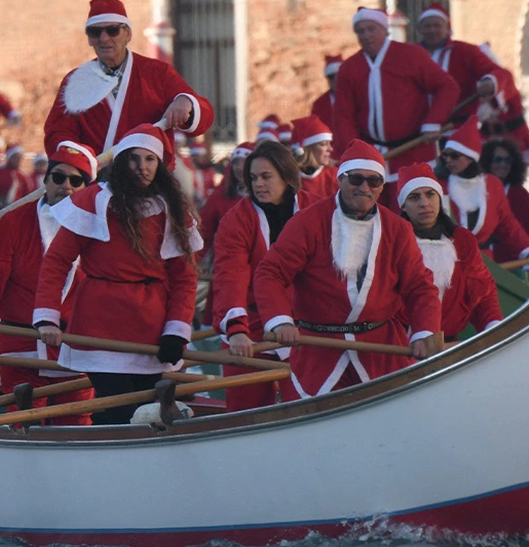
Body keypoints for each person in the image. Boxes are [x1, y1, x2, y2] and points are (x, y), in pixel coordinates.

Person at [34, 124, 201, 424]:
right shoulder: (94, 201)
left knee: (149, 410)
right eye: (135, 159)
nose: (143, 167)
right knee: (119, 411)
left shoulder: (171, 209)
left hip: (151, 328)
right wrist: (47, 315)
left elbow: (184, 279)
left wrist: (176, 331)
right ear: (123, 161)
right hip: (102, 327)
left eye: (150, 159)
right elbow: (57, 261)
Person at [254, 140, 441, 398]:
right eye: (356, 179)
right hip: (319, 355)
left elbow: (420, 287)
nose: (364, 188)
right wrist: (281, 321)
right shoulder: (308, 222)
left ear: (381, 187)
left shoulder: (398, 229)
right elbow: (270, 273)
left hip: (381, 355)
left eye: (373, 181)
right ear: (340, 179)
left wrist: (424, 332)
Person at [0, 141, 99, 425]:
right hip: (21, 349)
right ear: (45, 180)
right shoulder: (14, 222)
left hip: (77, 351)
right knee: (24, 425)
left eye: (77, 181)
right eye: (58, 177)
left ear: (88, 187)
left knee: (78, 431)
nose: (66, 186)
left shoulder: (100, 228)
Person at [43, 0, 214, 154]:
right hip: (97, 182)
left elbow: (205, 117)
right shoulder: (74, 81)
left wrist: (186, 102)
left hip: (149, 181)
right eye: (95, 32)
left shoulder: (158, 72)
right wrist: (78, 157)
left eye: (112, 30)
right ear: (89, 39)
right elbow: (57, 132)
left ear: (128, 34)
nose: (104, 38)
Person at [212, 142, 308, 410]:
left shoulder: (314, 210)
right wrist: (236, 331)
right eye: (253, 178)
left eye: (266, 177)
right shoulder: (237, 219)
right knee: (245, 414)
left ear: (287, 177)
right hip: (249, 327)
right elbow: (231, 277)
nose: (258, 185)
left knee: (306, 409)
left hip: (304, 330)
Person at [333, 7, 459, 207]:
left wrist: (433, 122)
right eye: (361, 31)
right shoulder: (349, 68)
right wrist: (354, 150)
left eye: (371, 29)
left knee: (416, 212)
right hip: (374, 156)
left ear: (384, 30)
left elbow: (447, 87)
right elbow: (343, 115)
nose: (366, 35)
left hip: (413, 151)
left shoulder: (410, 55)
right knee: (377, 216)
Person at [395, 164, 501, 340]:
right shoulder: (392, 242)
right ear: (404, 206)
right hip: (404, 347)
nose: (424, 203)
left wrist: (493, 326)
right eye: (414, 197)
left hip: (450, 346)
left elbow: (482, 291)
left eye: (430, 194)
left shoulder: (462, 240)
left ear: (439, 198)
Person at [439, 116, 529, 262]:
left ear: (470, 157)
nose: (448, 160)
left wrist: (526, 249)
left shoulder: (492, 185)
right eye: (446, 156)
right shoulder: (439, 186)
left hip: (485, 264)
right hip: (449, 262)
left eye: (454, 156)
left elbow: (507, 224)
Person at [416, 3, 511, 126]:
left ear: (447, 28)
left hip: (459, 128)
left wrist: (490, 81)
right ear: (420, 29)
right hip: (420, 130)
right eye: (427, 26)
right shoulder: (412, 53)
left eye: (437, 25)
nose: (432, 30)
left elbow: (501, 73)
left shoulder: (465, 51)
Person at [196, 141, 252, 327]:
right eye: (235, 162)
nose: (238, 167)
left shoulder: (266, 197)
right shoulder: (219, 198)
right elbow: (204, 234)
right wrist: (193, 263)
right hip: (225, 270)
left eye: (243, 162)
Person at [480, 139, 529, 257]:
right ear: (487, 162)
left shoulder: (519, 194)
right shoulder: (476, 190)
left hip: (513, 260)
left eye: (508, 160)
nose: (503, 164)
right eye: (498, 160)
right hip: (480, 258)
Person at [291, 115, 337, 202]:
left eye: (329, 144)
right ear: (306, 149)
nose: (330, 149)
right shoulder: (287, 177)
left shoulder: (334, 176)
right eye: (323, 144)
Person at [0, 144, 34, 216]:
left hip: (14, 213)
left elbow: (28, 196)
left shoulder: (23, 177)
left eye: (19, 158)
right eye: (15, 158)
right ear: (9, 157)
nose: (18, 160)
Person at [311, 54, 343, 130]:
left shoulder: (355, 97)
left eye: (338, 76)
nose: (335, 80)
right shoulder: (319, 105)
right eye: (331, 77)